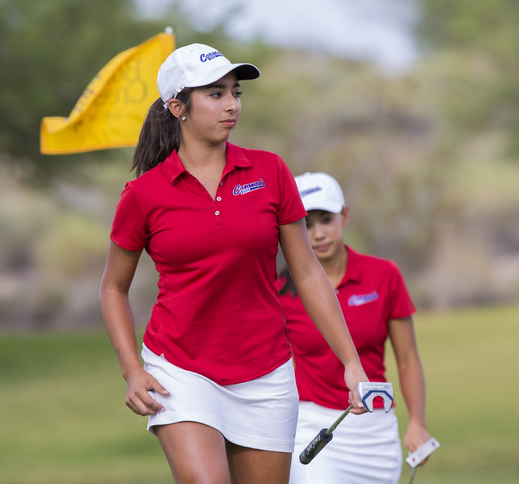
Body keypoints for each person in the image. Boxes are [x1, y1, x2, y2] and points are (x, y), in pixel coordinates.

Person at [99, 44, 369, 484]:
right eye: (215, 94)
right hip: (181, 369)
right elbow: (113, 287)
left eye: (235, 92)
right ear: (177, 107)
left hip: (266, 370)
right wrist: (132, 368)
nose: (232, 105)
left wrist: (350, 361)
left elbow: (305, 271)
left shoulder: (270, 171)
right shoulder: (143, 194)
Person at [278, 172, 432, 484]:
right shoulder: (277, 287)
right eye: (305, 224)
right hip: (313, 424)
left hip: (376, 429)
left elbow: (408, 359)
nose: (318, 233)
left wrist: (417, 421)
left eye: (326, 219)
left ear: (344, 216)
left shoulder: (384, 275)